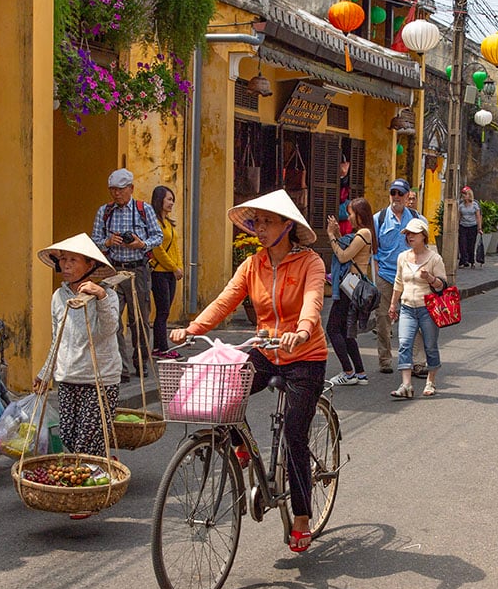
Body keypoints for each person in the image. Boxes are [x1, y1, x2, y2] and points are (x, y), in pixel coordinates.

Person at [170, 189, 326, 553]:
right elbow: (226, 300)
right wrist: (193, 328)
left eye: (269, 221)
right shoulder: (253, 264)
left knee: (294, 437)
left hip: (305, 356)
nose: (261, 228)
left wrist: (302, 330)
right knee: (222, 394)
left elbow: (312, 300)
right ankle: (240, 447)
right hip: (266, 351)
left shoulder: (310, 263)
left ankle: (301, 517)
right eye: (257, 221)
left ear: (288, 225)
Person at [32, 234, 120, 519]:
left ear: (89, 264)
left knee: (87, 437)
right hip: (68, 375)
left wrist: (101, 297)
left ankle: (87, 497)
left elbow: (108, 330)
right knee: (69, 434)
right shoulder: (58, 297)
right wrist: (46, 372)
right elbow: (57, 337)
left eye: (73, 260)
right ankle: (102, 463)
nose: (66, 265)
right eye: (63, 260)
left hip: (100, 377)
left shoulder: (106, 293)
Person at [92, 168, 163, 382]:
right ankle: (120, 366)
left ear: (131, 188)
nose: (116, 194)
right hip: (113, 269)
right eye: (113, 190)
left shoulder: (144, 209)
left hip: (138, 269)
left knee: (139, 319)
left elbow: (158, 236)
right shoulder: (104, 211)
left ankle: (140, 363)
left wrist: (142, 244)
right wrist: (107, 242)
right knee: (111, 318)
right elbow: (94, 240)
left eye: (121, 190)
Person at [374, 178, 427, 377]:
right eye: (393, 193)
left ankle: (418, 362)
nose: (396, 197)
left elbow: (425, 246)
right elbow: (374, 251)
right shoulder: (378, 219)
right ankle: (385, 359)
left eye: (400, 194)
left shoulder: (417, 219)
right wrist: (376, 275)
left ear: (407, 197)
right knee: (382, 320)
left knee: (417, 319)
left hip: (411, 277)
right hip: (386, 277)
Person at [388, 218, 445, 398]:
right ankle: (406, 385)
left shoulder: (435, 259)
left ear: (423, 236)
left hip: (427, 309)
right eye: (407, 234)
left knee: (430, 346)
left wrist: (429, 278)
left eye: (414, 233)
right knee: (404, 344)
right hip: (407, 307)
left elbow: (442, 285)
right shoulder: (403, 257)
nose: (410, 237)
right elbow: (398, 282)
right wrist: (392, 304)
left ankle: (431, 381)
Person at [325, 197, 374, 386]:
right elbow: (345, 248)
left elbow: (343, 255)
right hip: (352, 284)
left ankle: (348, 372)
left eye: (351, 213)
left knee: (332, 329)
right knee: (346, 331)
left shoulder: (364, 233)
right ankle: (360, 373)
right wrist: (337, 234)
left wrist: (331, 235)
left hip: (350, 284)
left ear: (360, 215)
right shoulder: (362, 233)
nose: (348, 216)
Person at [149, 185, 183, 360]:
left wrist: (179, 266)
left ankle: (158, 347)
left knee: (165, 312)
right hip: (159, 272)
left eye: (172, 200)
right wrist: (173, 267)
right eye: (168, 199)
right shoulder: (154, 223)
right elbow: (158, 250)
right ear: (159, 199)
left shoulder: (169, 223)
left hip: (170, 273)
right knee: (162, 312)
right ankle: (161, 348)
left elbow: (174, 247)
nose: (171, 203)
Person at [457, 186, 483, 268]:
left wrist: (479, 228)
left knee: (471, 245)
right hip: (463, 226)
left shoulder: (475, 205)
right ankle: (463, 261)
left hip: (472, 226)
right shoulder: (461, 206)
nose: (464, 196)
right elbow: (459, 216)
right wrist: (456, 226)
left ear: (469, 195)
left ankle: (471, 261)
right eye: (463, 195)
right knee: (462, 244)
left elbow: (478, 217)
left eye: (465, 194)